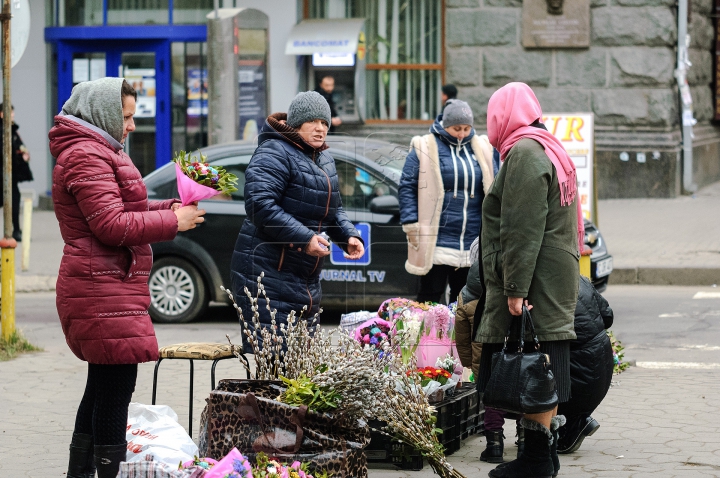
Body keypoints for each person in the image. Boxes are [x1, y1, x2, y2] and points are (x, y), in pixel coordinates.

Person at [49, 77, 205, 478]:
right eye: (127, 117)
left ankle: (80, 473)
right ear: (103, 114)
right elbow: (111, 225)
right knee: (115, 390)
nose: (133, 125)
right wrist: (172, 221)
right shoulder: (87, 155)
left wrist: (169, 206)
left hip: (107, 283)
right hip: (100, 285)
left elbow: (127, 205)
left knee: (102, 387)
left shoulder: (98, 150)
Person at [475, 82, 584, 478]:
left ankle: (536, 461)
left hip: (534, 281)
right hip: (552, 278)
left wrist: (515, 290)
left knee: (533, 367)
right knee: (544, 367)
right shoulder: (546, 146)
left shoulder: (522, 152)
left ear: (502, 116)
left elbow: (521, 228)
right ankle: (542, 457)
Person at [231, 91, 364, 353]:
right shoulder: (274, 150)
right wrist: (304, 239)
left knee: (300, 369)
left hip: (304, 279)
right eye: (313, 121)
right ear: (296, 123)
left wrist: (348, 236)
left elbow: (332, 209)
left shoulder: (323, 157)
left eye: (325, 123)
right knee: (276, 368)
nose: (320, 128)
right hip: (266, 275)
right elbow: (260, 205)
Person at [399, 99, 495, 303]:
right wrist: (411, 223)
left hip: (472, 239)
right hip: (437, 238)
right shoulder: (425, 146)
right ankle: (427, 336)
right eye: (456, 128)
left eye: (467, 128)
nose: (462, 133)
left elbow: (495, 187)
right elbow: (407, 185)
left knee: (464, 300)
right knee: (430, 297)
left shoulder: (483, 147)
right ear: (445, 124)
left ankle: (458, 336)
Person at [557, 275, 614, 454]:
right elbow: (608, 316)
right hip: (601, 356)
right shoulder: (579, 278)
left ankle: (574, 425)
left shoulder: (545, 286)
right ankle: (578, 421)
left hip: (583, 371)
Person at [0, 104, 33, 242]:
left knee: (13, 200)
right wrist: (20, 156)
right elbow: (7, 152)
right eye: (11, 113)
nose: (13, 116)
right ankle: (15, 231)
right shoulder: (4, 130)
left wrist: (23, 153)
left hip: (9, 174)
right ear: (2, 114)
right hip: (5, 174)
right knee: (12, 201)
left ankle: (16, 230)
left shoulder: (10, 130)